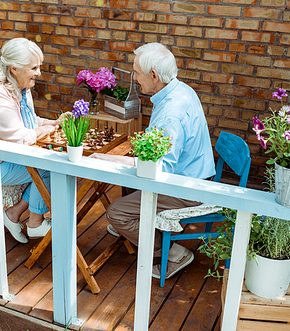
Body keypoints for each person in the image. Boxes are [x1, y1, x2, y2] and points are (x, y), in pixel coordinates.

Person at [91, 42, 216, 280]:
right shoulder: (180, 89)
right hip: (194, 174)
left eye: (136, 73)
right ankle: (138, 229)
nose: (135, 78)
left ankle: (174, 252)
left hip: (186, 188)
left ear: (154, 75)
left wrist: (109, 160)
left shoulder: (171, 113)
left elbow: (159, 170)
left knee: (116, 213)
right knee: (126, 186)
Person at [0, 38, 66, 244]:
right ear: (14, 69)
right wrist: (44, 130)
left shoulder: (20, 86)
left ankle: (12, 214)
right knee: (51, 167)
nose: (39, 73)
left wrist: (53, 123)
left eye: (39, 67)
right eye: (34, 68)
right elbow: (19, 136)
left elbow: (28, 122)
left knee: (51, 164)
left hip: (5, 156)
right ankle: (35, 224)